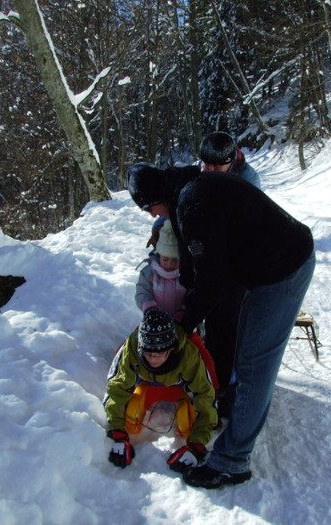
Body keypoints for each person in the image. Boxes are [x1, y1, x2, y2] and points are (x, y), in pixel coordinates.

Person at [126, 162, 315, 489]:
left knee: (255, 363)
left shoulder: (191, 203)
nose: (151, 215)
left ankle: (232, 462)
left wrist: (183, 324)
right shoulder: (187, 188)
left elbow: (212, 281)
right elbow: (197, 258)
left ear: (155, 200)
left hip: (282, 268)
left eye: (148, 209)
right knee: (243, 346)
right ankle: (238, 409)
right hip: (265, 263)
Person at [104, 309, 218, 473]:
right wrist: (117, 431)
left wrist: (196, 445)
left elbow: (205, 395)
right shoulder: (132, 347)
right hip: (142, 378)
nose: (153, 359)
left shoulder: (189, 356)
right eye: (148, 353)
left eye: (159, 354)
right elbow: (117, 386)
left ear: (171, 350)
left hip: (179, 380)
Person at [198, 131, 261, 417]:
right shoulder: (208, 169)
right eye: (205, 165)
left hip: (242, 261)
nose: (209, 171)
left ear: (230, 161)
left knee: (232, 327)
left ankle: (230, 389)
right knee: (213, 322)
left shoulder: (248, 181)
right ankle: (211, 376)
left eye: (215, 167)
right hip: (217, 257)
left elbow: (246, 230)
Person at [135, 220, 186, 316]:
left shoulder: (187, 273)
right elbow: (143, 292)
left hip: (182, 320)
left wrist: (185, 311)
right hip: (156, 320)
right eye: (165, 259)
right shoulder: (149, 273)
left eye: (175, 260)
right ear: (158, 255)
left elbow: (193, 294)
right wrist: (150, 310)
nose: (170, 264)